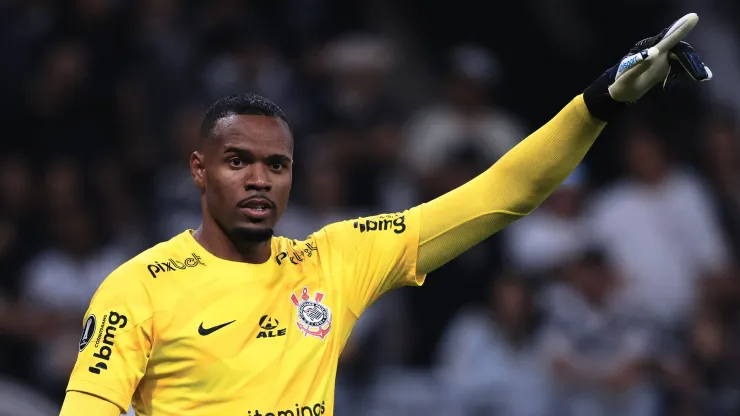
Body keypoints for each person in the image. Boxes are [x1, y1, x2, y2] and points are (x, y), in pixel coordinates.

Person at [59, 14, 711, 416]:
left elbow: (500, 194)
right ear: (199, 169)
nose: (259, 178)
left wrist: (600, 103)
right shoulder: (138, 287)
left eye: (277, 165)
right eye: (237, 161)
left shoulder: (333, 260)